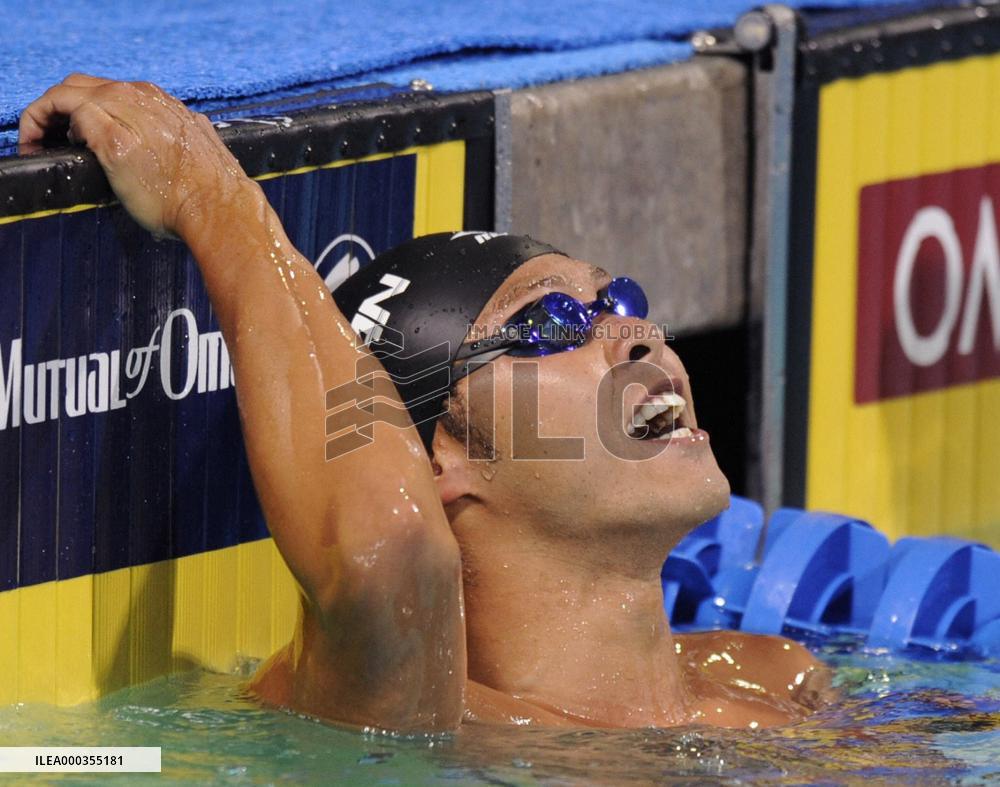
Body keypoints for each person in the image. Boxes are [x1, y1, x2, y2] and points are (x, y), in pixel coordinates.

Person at [19, 75, 833, 733]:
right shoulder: (420, 712)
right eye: (552, 323)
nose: (639, 335)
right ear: (440, 460)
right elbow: (391, 551)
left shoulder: (774, 680)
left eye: (620, 297)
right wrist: (206, 190)